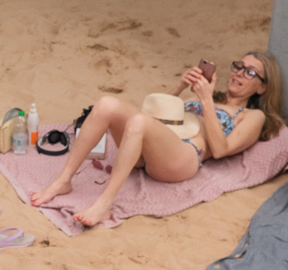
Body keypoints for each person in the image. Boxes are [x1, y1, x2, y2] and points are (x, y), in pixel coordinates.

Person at [31, 51, 285, 226]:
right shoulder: (199, 97)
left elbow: (220, 149)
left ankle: (104, 203)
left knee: (139, 122)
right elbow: (152, 115)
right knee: (107, 104)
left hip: (183, 158)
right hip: (151, 146)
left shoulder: (253, 116)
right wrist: (180, 88)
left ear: (262, 87)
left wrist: (206, 100)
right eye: (238, 66)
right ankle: (63, 181)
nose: (239, 73)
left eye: (250, 72)